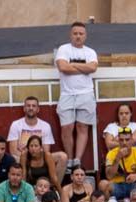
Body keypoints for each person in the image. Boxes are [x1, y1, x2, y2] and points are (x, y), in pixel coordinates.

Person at [54, 22, 98, 170]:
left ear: (85, 36)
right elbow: (63, 67)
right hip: (67, 94)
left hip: (86, 94)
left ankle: (77, 160)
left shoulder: (90, 52)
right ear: (70, 34)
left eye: (81, 33)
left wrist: (73, 65)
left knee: (82, 126)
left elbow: (93, 67)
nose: (78, 36)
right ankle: (69, 158)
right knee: (67, 127)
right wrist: (83, 68)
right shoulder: (63, 49)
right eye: (75, 33)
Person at [7, 97, 68, 182]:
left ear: (38, 109)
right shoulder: (16, 124)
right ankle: (22, 188)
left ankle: (53, 187)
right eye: (28, 106)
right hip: (22, 157)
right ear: (24, 109)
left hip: (40, 158)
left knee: (63, 156)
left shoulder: (45, 126)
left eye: (33, 106)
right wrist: (26, 156)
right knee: (14, 158)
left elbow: (46, 151)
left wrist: (34, 154)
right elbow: (13, 150)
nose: (31, 108)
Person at [105, 127, 136, 202]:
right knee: (103, 184)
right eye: (121, 140)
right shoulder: (111, 154)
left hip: (133, 186)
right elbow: (109, 176)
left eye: (127, 139)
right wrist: (117, 158)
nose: (124, 143)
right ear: (118, 141)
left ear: (132, 140)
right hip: (117, 185)